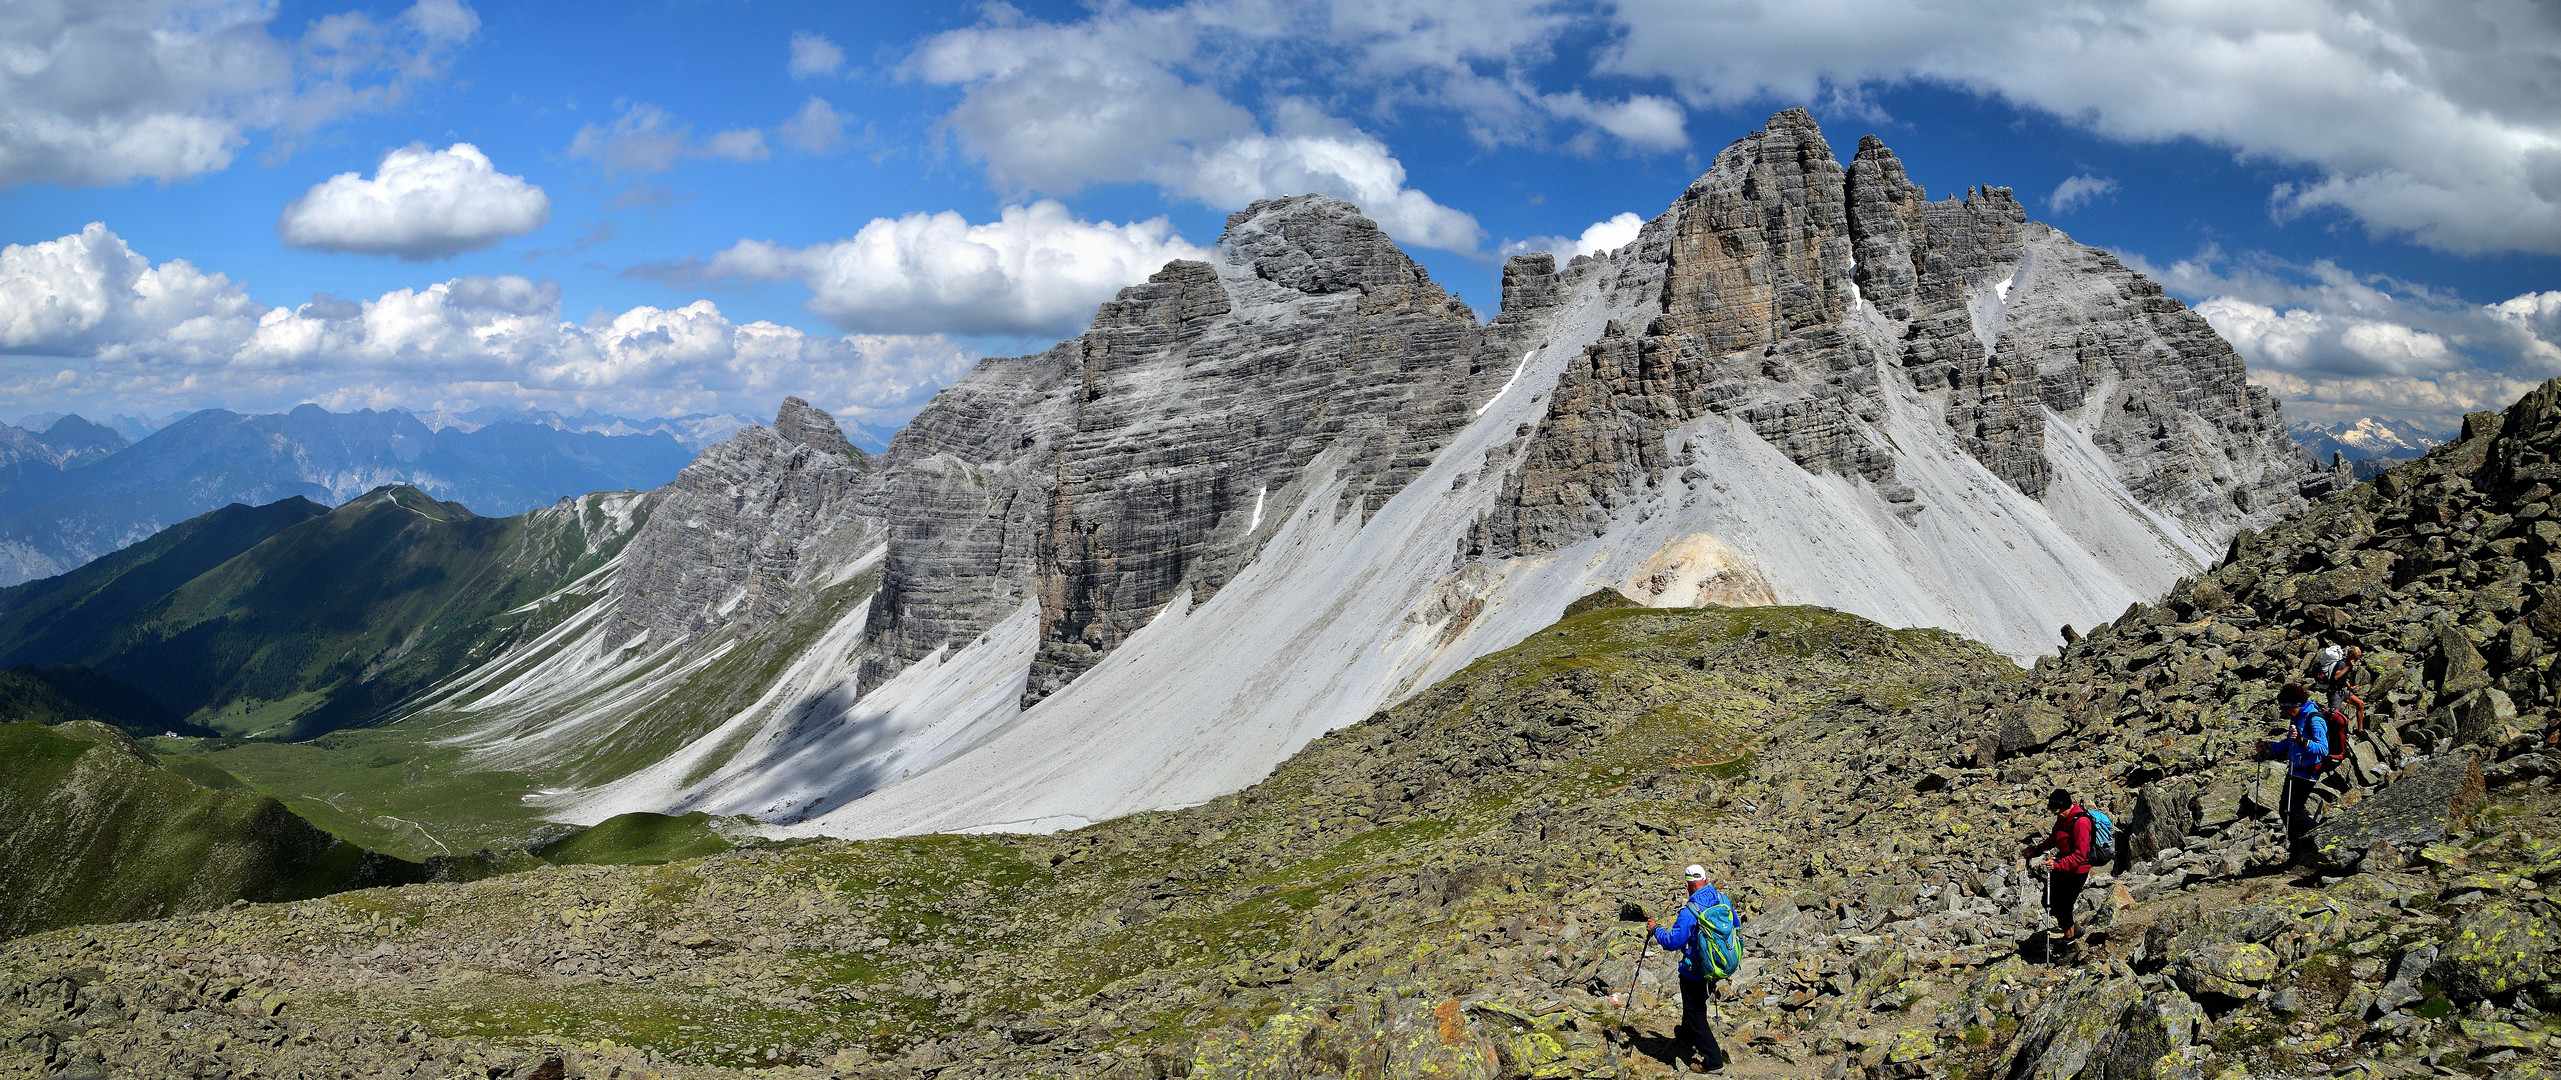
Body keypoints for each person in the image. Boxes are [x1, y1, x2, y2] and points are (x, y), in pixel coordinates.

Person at [1647, 865, 1732, 1073]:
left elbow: (1672, 942)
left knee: (1696, 1015)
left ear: (1686, 884)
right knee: (1694, 1007)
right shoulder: (1723, 899)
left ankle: (1713, 1062)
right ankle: (1686, 1035)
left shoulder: (1690, 911)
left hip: (1693, 971)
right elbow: (1735, 926)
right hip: (1715, 964)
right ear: (1707, 878)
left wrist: (1655, 930)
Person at [2020, 789, 2093, 957]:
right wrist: (2036, 850)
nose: (2055, 814)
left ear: (2063, 807)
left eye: (2056, 810)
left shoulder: (2081, 822)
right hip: (2061, 865)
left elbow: (2080, 855)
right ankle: (2072, 927)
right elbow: (2053, 839)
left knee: (2063, 906)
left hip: (2077, 870)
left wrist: (2058, 864)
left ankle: (2071, 945)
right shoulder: (2062, 819)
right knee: (2049, 902)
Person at [2271, 683, 2331, 857]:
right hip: (2295, 770)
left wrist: (2303, 742)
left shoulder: (2314, 718)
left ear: (2296, 704)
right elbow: (2289, 742)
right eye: (2283, 709)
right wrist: (2270, 747)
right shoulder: (2297, 717)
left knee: (2293, 812)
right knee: (2285, 811)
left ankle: (2321, 835)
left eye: (2286, 709)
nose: (2285, 713)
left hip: (2308, 772)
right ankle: (2299, 851)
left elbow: (2323, 749)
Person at [2310, 644, 2365, 732]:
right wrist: (2348, 667)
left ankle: (2360, 730)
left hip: (2341, 691)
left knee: (2360, 704)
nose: (2356, 661)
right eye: (2356, 658)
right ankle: (2324, 732)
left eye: (2358, 659)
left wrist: (2350, 686)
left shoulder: (2346, 664)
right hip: (2334, 693)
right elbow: (2336, 676)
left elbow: (2343, 677)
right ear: (2350, 655)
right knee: (2333, 716)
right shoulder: (2342, 664)